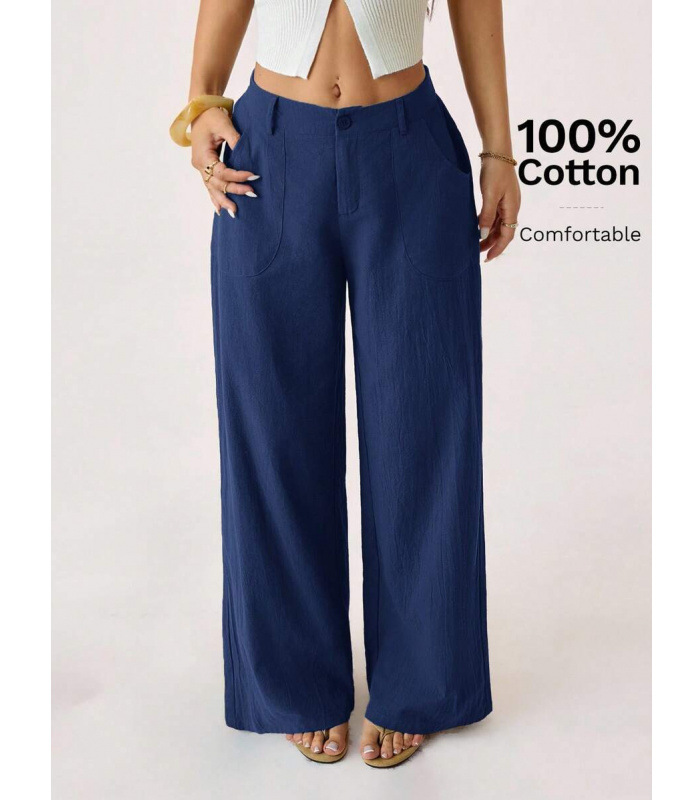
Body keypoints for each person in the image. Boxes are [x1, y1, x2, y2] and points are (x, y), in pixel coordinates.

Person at [171, 0, 520, 767]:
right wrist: (201, 105)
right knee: (274, 430)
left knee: (423, 424)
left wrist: (499, 151)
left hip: (409, 147)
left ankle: (423, 682)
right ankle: (294, 683)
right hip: (266, 155)